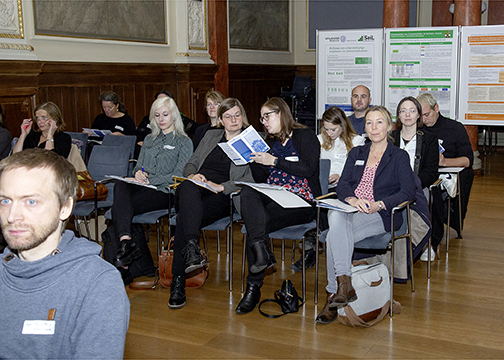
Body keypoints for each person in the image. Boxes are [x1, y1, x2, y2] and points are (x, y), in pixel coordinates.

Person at [0, 148, 129, 359]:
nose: (12, 216)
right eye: (5, 200)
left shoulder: (97, 283)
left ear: (65, 207)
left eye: (31, 201)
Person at [316, 105, 416, 324]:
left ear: (389, 126)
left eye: (379, 122)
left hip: (380, 214)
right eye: (369, 123)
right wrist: (352, 199)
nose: (374, 127)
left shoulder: (398, 156)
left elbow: (408, 192)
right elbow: (343, 185)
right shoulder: (357, 152)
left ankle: (334, 292)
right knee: (335, 217)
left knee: (334, 234)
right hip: (352, 208)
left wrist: (379, 204)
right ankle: (344, 287)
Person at [236, 97, 321, 315]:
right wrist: (253, 161)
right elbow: (261, 178)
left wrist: (274, 161)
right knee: (247, 192)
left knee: (257, 224)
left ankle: (252, 288)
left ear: (281, 113)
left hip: (301, 199)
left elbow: (309, 169)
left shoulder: (305, 136)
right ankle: (262, 255)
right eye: (262, 117)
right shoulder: (270, 143)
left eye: (268, 116)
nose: (264, 121)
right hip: (274, 193)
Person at [169, 97, 256, 309]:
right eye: (228, 116)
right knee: (187, 187)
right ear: (221, 119)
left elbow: (251, 180)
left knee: (183, 220)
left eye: (237, 115)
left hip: (222, 195)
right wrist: (192, 175)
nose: (234, 120)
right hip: (197, 189)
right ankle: (191, 248)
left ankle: (178, 279)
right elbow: (190, 163)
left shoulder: (251, 140)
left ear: (243, 116)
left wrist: (222, 187)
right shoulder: (211, 135)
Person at [111, 96, 193, 281]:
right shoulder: (149, 139)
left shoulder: (183, 141)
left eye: (165, 114)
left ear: (174, 116)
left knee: (122, 207)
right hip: (144, 185)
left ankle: (125, 259)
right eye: (157, 115)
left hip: (165, 191)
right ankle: (126, 243)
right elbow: (139, 166)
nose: (161, 119)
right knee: (121, 184)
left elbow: (180, 175)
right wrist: (139, 174)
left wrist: (151, 180)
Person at [290, 106, 365, 272]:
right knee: (310, 199)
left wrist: (341, 176)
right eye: (326, 129)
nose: (330, 133)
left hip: (342, 186)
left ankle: (314, 239)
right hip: (320, 186)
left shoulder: (357, 141)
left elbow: (356, 169)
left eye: (334, 129)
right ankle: (315, 237)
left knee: (323, 204)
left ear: (343, 126)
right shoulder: (318, 140)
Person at [416, 93, 474, 260]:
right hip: (425, 174)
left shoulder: (454, 128)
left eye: (427, 115)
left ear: (437, 109)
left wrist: (444, 162)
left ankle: (431, 242)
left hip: (448, 175)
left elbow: (468, 160)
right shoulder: (418, 129)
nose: (424, 120)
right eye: (421, 116)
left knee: (433, 194)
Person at [134, 89, 199, 158]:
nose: (160, 119)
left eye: (164, 101)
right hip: (147, 154)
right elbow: (137, 137)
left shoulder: (180, 121)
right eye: (158, 101)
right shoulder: (147, 120)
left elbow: (197, 128)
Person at [392, 96, 439, 189]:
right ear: (399, 115)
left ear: (418, 115)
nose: (408, 115)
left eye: (412, 111)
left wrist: (411, 184)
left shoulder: (430, 139)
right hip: (392, 187)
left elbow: (431, 172)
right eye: (403, 111)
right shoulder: (390, 138)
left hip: (419, 187)